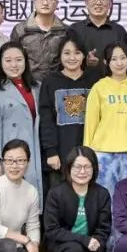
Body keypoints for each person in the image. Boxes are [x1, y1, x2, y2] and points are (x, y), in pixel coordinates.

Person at [43, 146, 111, 252]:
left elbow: (103, 231)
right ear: (68, 168)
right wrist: (84, 240)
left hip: (91, 248)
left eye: (87, 167)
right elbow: (51, 230)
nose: (82, 171)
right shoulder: (56, 193)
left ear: (94, 168)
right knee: (73, 248)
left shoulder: (102, 194)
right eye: (77, 167)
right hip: (61, 245)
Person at [39, 33, 97, 194]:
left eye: (77, 53)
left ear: (84, 56)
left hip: (88, 155)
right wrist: (51, 151)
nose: (72, 58)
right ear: (60, 55)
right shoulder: (50, 81)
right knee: (59, 199)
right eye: (67, 53)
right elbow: (46, 119)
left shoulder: (94, 81)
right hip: (59, 156)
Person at [84, 42, 127, 197]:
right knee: (105, 198)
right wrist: (87, 153)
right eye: (114, 59)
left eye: (123, 58)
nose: (119, 63)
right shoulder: (99, 87)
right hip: (104, 153)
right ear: (106, 62)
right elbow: (91, 123)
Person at [0, 42, 43, 195]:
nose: (14, 65)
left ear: (25, 61)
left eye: (18, 60)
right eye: (8, 60)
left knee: (32, 197)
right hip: (10, 152)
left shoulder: (37, 87)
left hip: (35, 150)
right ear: (0, 63)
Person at [68, 0, 127, 79]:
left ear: (110, 3)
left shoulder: (119, 31)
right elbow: (67, 60)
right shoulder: (74, 29)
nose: (98, 2)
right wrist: (85, 62)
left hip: (111, 84)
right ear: (86, 3)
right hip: (81, 83)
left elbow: (125, 63)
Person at [11, 0, 69, 84]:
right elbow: (13, 59)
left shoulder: (66, 31)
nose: (45, 3)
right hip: (28, 85)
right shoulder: (20, 30)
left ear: (57, 3)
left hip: (58, 84)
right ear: (34, 2)